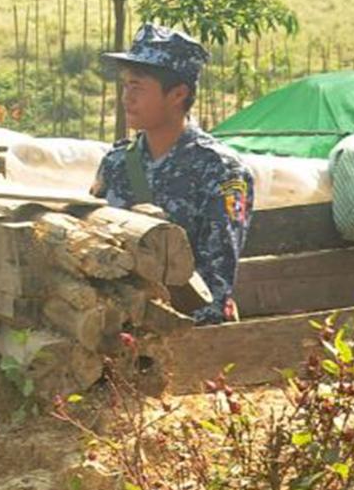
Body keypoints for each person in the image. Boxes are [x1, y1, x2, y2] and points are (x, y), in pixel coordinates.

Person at [91, 23, 254, 323]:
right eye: (125, 86)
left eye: (137, 87)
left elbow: (216, 280)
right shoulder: (116, 163)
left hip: (188, 328)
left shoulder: (220, 169)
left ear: (178, 94)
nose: (126, 98)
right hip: (122, 326)